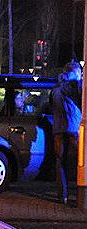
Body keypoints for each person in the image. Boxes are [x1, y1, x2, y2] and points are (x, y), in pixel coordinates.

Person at [51, 61, 82, 206]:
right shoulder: (75, 86)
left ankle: (62, 196)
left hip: (58, 129)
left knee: (60, 162)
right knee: (80, 162)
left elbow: (51, 105)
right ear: (75, 72)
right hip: (74, 129)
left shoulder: (56, 88)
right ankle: (80, 194)